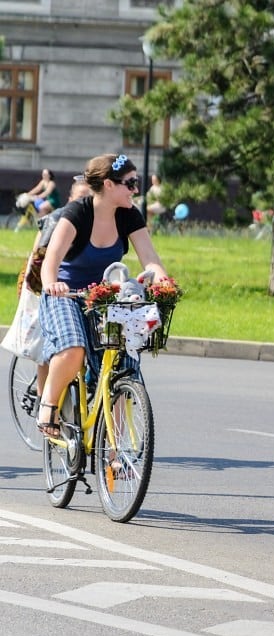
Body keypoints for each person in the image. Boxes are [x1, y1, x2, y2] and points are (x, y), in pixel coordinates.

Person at [36, 153, 169, 440]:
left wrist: (164, 282)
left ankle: (113, 451)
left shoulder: (129, 215)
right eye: (130, 183)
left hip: (105, 298)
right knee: (73, 349)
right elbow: (51, 262)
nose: (135, 189)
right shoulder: (77, 213)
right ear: (108, 185)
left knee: (121, 367)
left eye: (137, 182)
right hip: (66, 295)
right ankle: (48, 404)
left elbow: (150, 259)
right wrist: (52, 284)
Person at [16, 176, 95, 399]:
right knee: (46, 346)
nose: (86, 202)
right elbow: (38, 257)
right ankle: (45, 402)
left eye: (90, 197)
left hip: (82, 292)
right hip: (49, 287)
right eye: (82, 197)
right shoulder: (58, 220)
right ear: (70, 199)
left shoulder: (96, 222)